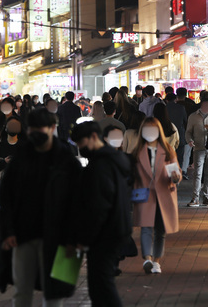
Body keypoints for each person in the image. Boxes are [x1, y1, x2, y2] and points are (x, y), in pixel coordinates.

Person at [0, 109, 81, 307]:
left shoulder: (67, 159)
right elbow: (5, 197)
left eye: (40, 128)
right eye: (33, 129)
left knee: (56, 292)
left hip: (61, 237)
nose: (36, 133)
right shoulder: (21, 158)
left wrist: (75, 238)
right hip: (23, 235)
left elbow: (79, 201)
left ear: (53, 128)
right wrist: (7, 231)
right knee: (21, 290)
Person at [71, 122, 132, 306]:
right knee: (101, 284)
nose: (81, 148)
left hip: (106, 233)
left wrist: (85, 237)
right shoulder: (114, 159)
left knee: (101, 285)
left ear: (94, 137)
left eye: (82, 143)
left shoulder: (100, 166)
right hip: (115, 228)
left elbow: (99, 205)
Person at [131, 118, 181, 274]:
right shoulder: (137, 151)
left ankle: (157, 262)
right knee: (146, 227)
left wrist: (175, 177)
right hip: (145, 193)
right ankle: (147, 258)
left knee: (160, 229)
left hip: (164, 193)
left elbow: (176, 173)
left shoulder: (167, 150)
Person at [185, 98, 208, 207]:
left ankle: (206, 196)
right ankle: (195, 197)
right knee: (198, 173)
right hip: (198, 148)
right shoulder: (193, 117)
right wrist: (189, 140)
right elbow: (188, 132)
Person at [165, 93, 188, 176]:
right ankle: (177, 175)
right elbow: (185, 121)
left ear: (166, 100)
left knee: (169, 157)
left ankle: (171, 175)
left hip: (167, 136)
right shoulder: (181, 108)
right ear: (175, 99)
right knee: (179, 157)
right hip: (180, 136)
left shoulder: (164, 108)